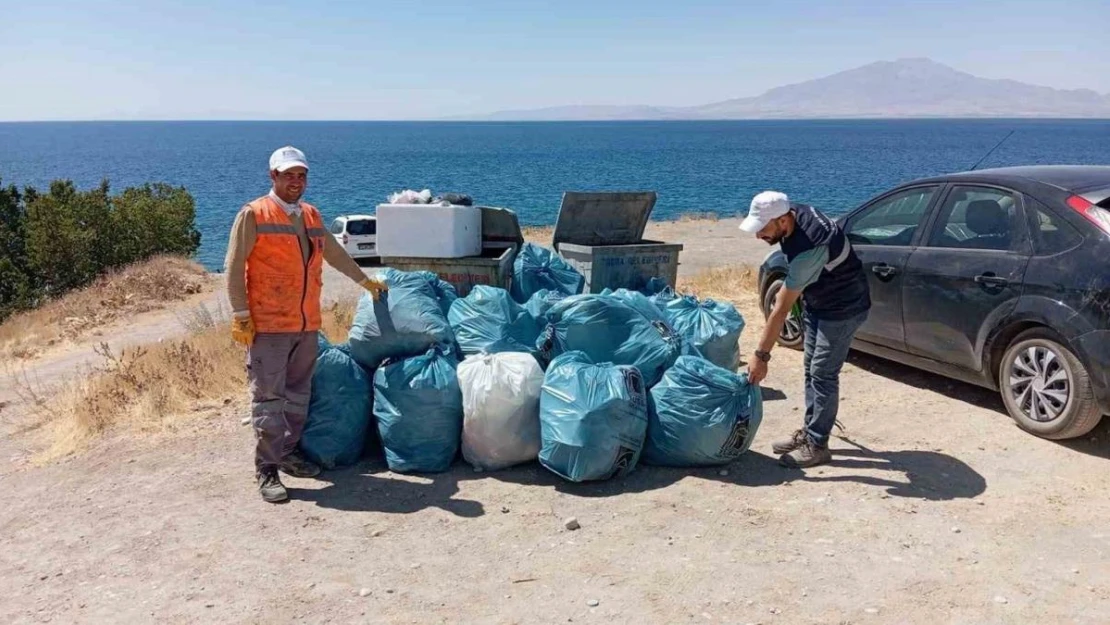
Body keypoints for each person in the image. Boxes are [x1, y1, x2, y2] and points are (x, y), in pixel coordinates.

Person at [224, 145, 387, 503]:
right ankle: (266, 470)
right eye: (288, 175)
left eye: (301, 175)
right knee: (269, 400)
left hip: (305, 324)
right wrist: (240, 315)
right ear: (273, 177)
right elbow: (234, 267)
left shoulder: (311, 215)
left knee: (299, 396)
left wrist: (365, 281)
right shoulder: (254, 214)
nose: (296, 182)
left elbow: (334, 253)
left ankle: (287, 453)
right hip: (267, 326)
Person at [740, 191, 870, 468]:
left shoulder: (811, 246)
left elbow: (781, 309)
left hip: (843, 309)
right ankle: (811, 433)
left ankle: (818, 445)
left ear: (783, 221)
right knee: (812, 369)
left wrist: (760, 356)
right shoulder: (791, 211)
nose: (758, 236)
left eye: (762, 229)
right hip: (819, 301)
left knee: (822, 373)